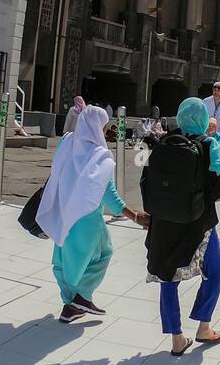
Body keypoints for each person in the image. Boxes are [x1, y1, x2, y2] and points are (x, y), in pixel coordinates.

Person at [39, 102, 147, 322]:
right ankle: (83, 297)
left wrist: (85, 114)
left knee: (62, 261)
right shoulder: (100, 156)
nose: (106, 131)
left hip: (63, 214)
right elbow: (109, 196)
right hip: (87, 220)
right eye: (105, 127)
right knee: (101, 255)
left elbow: (73, 136)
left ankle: (69, 305)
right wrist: (135, 216)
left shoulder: (67, 143)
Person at [144, 98, 220, 355]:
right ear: (203, 119)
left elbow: (146, 177)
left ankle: (176, 339)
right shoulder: (208, 144)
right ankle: (204, 326)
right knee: (213, 270)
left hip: (162, 223)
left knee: (167, 276)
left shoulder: (162, 142)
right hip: (197, 222)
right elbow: (219, 189)